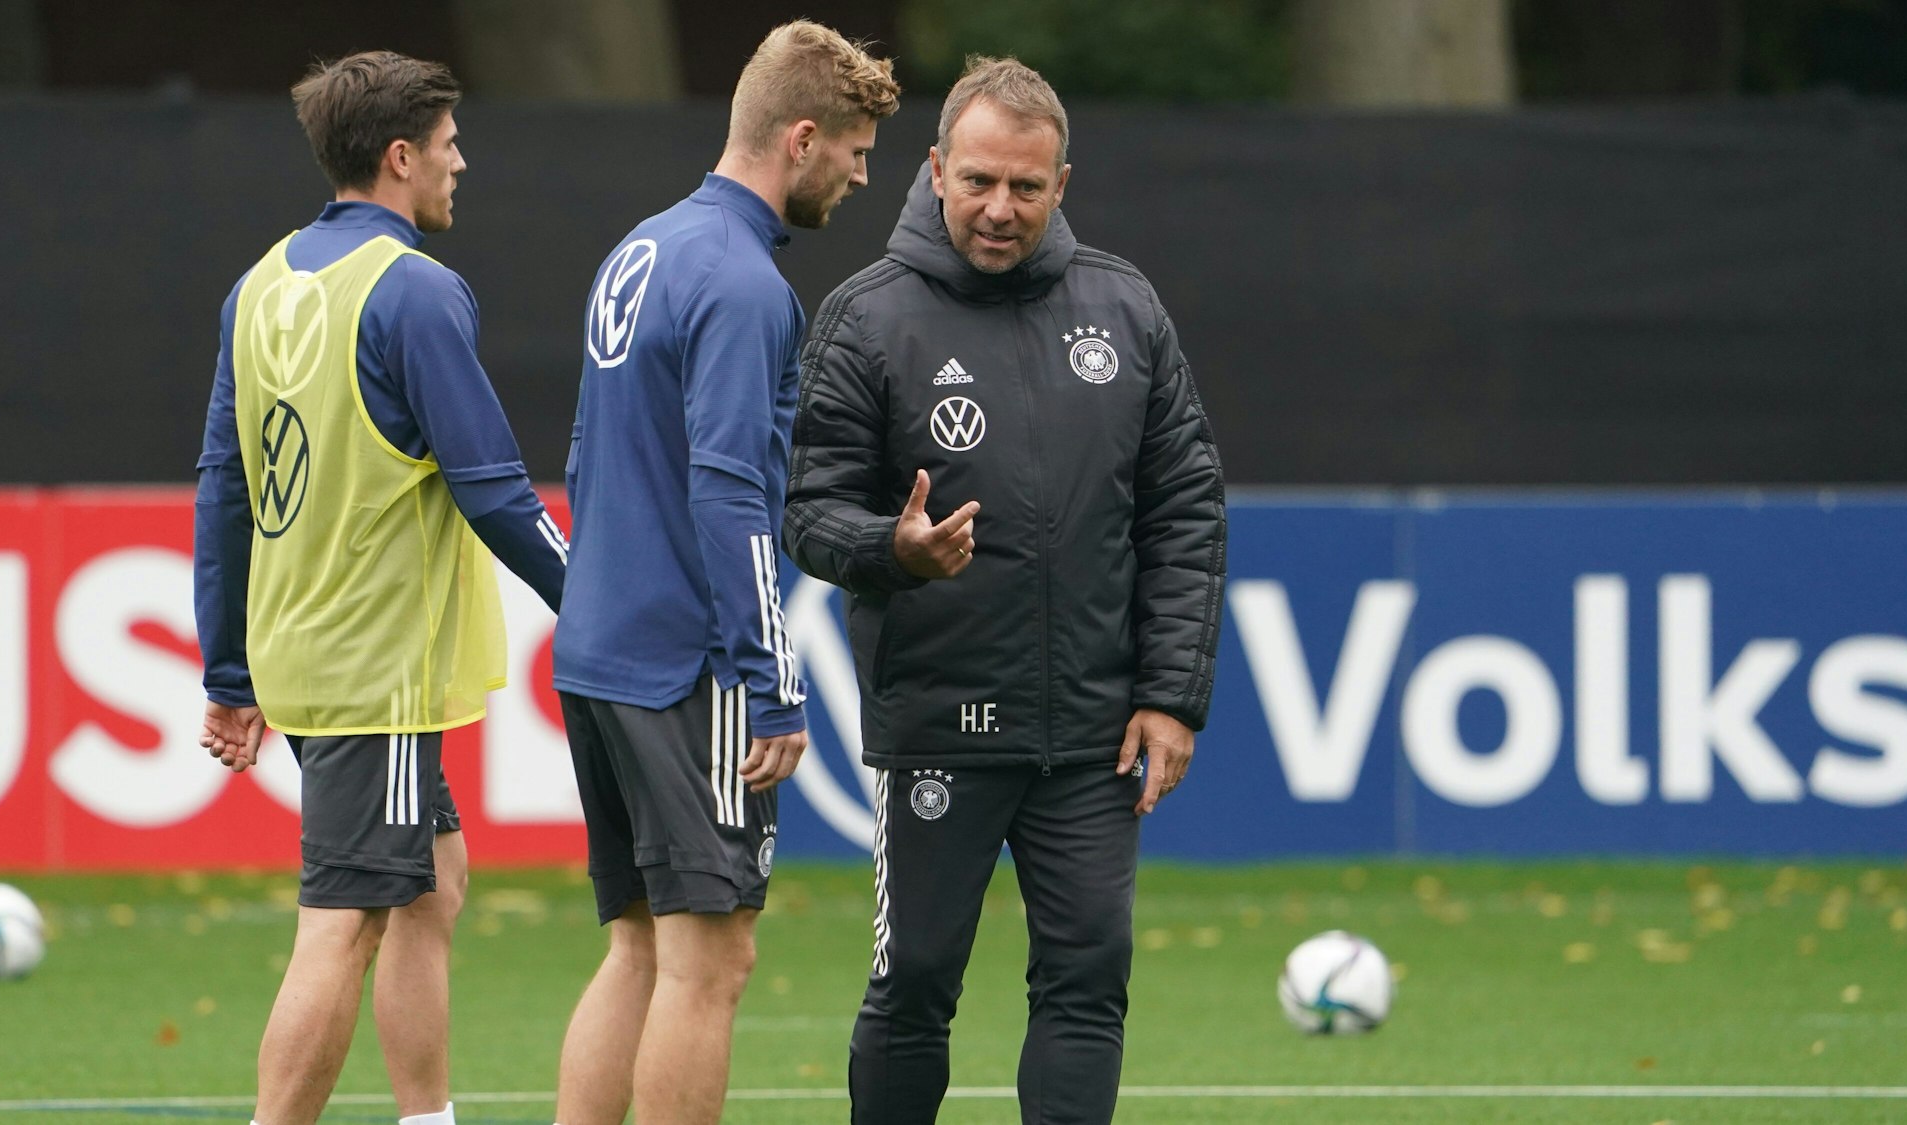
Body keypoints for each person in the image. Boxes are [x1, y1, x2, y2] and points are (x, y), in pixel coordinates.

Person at [784, 56, 1228, 1125]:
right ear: (935, 170)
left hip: (1088, 739)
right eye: (978, 180)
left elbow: (1185, 510)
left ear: (1059, 184)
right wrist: (892, 550)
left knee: (1085, 988)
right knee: (914, 987)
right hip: (936, 723)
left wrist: (1170, 695)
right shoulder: (865, 318)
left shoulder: (1123, 309)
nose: (998, 208)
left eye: (1024, 188)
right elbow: (808, 510)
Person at [192, 51, 566, 1125]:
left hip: (306, 653)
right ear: (400, 158)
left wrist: (230, 665)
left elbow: (224, 484)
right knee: (346, 916)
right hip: (379, 668)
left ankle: (426, 1119)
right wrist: (597, 603)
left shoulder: (258, 284)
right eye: (448, 146)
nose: (461, 162)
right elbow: (493, 488)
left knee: (429, 883)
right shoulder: (414, 291)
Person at [548, 21, 899, 1125]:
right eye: (851, 149)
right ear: (799, 138)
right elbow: (729, 493)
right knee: (711, 962)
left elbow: (583, 458)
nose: (859, 173)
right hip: (680, 665)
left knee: (639, 951)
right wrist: (768, 673)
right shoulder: (746, 286)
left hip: (599, 651)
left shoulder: (641, 249)